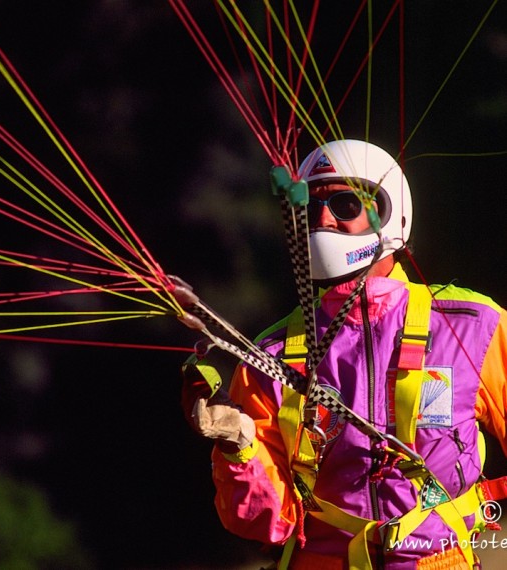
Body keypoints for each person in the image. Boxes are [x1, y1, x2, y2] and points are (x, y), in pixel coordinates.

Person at [181, 139, 507, 569]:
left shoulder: (471, 325)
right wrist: (238, 448)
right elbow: (266, 524)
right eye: (310, 208)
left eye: (345, 204)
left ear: (390, 211)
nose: (322, 219)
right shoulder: (270, 358)